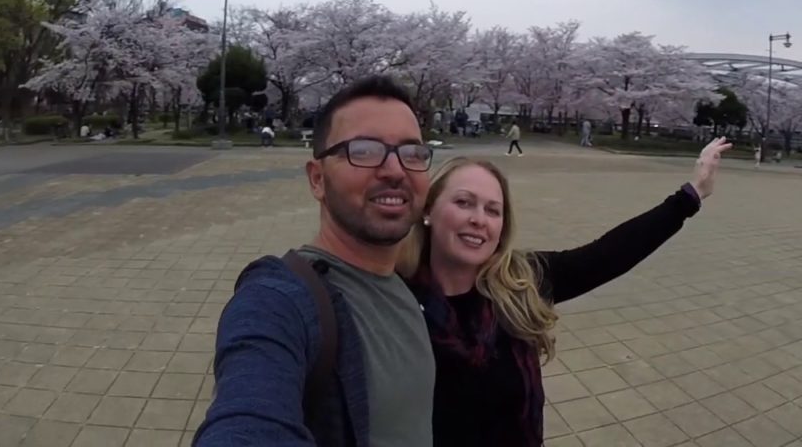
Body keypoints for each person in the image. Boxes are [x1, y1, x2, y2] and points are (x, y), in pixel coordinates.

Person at [398, 137, 732, 447]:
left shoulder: (520, 283)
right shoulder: (394, 302)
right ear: (428, 211)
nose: (478, 220)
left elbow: (608, 255)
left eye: (492, 210)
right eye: (463, 202)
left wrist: (691, 195)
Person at [193, 75, 436, 447]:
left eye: (412, 153)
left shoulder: (407, 279)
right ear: (317, 179)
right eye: (365, 150)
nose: (394, 170)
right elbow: (248, 415)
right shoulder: (282, 301)